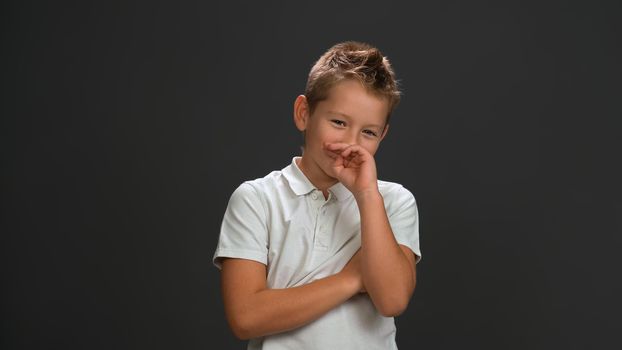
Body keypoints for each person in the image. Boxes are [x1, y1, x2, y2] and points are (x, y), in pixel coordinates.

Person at [213, 41, 422, 349]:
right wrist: (352, 278)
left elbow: (391, 300)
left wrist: (366, 194)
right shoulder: (256, 199)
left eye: (368, 132)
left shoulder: (393, 202)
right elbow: (246, 317)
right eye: (338, 122)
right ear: (303, 114)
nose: (351, 143)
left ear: (383, 134)